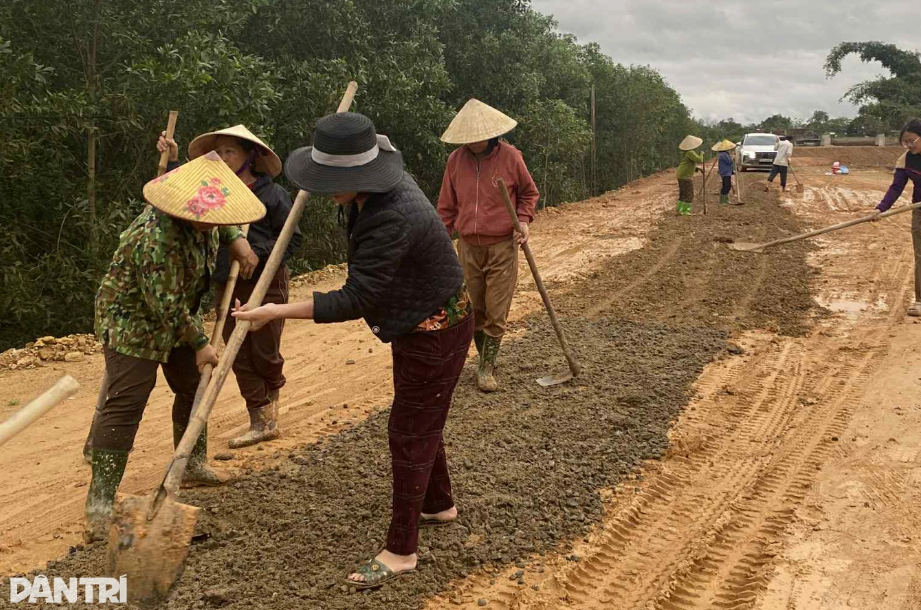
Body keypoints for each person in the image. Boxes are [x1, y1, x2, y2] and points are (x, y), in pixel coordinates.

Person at [233, 112, 473, 589]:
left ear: (363, 174)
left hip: (436, 329)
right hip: (418, 319)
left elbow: (355, 298)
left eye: (333, 179)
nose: (325, 189)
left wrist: (275, 311)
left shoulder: (390, 215)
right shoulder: (371, 192)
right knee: (420, 418)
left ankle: (402, 550)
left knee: (408, 431)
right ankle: (437, 504)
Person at [85, 152, 266, 542]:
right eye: (210, 220)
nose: (213, 224)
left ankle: (193, 463)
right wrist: (200, 343)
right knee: (128, 401)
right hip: (132, 320)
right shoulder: (156, 238)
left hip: (178, 313)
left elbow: (220, 228)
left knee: (192, 385)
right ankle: (99, 502)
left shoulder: (207, 218)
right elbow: (163, 303)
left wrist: (235, 239)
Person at [160, 125, 302, 448]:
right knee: (236, 352)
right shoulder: (214, 192)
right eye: (219, 152)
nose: (223, 158)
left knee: (264, 351)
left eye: (230, 152)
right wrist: (172, 161)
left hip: (266, 283)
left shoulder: (273, 195)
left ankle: (271, 405)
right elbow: (180, 198)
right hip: (226, 282)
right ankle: (260, 417)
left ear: (249, 156)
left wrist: (258, 253)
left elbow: (291, 239)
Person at [437, 98, 538, 392]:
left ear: (491, 134)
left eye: (477, 137)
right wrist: (439, 242)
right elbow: (446, 207)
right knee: (474, 310)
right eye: (468, 138)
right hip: (468, 246)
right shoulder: (456, 161)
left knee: (496, 309)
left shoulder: (511, 157)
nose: (473, 142)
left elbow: (529, 193)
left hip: (502, 246)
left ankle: (486, 367)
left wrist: (523, 220)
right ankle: (486, 357)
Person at [873, 118, 921, 315]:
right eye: (905, 142)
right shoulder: (905, 160)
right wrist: (881, 209)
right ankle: (920, 300)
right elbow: (896, 187)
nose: (908, 145)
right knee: (920, 255)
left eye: (912, 141)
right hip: (919, 209)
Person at [676, 135, 704, 215]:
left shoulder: (687, 153)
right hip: (685, 176)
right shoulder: (690, 152)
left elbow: (689, 164)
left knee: (683, 193)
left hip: (681, 174)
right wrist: (701, 154)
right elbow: (699, 160)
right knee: (689, 194)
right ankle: (685, 211)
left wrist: (698, 169)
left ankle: (679, 209)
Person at [712, 139, 737, 205]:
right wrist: (733, 158)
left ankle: (725, 199)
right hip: (725, 172)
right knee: (727, 186)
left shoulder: (724, 154)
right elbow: (729, 162)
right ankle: (722, 201)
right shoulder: (723, 154)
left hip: (726, 172)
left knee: (726, 186)